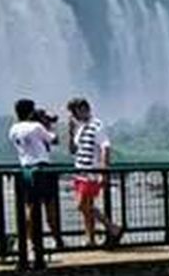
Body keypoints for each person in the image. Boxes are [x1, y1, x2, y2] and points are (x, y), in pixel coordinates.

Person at [9, 98, 64, 265]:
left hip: (25, 169)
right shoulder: (36, 127)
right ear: (30, 111)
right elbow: (54, 140)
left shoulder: (13, 129)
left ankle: (27, 243)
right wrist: (49, 126)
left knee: (29, 207)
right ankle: (54, 242)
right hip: (42, 169)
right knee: (49, 206)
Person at [67, 97, 123, 248]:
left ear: (84, 109)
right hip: (80, 172)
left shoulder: (97, 125)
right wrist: (71, 132)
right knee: (86, 208)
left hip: (91, 172)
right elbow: (73, 150)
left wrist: (104, 172)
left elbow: (105, 147)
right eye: (73, 112)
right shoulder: (79, 128)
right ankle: (90, 239)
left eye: (75, 111)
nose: (74, 115)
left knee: (82, 205)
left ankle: (112, 227)